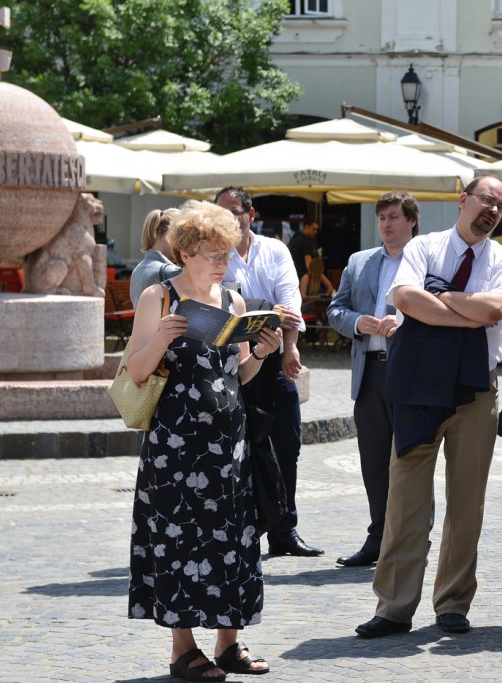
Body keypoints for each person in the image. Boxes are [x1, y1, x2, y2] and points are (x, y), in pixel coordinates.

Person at [354, 174, 502, 638]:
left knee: (467, 503)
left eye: (501, 206)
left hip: (477, 390)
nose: (493, 210)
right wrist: (466, 315)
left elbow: (496, 310)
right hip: (418, 387)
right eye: (487, 200)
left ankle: (452, 603)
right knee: (404, 501)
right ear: (463, 200)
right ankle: (394, 608)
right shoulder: (424, 246)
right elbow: (407, 298)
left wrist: (441, 297)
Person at [127, 200, 282, 680]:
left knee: (232, 538)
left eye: (227, 254)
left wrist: (261, 352)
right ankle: (183, 650)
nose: (223, 263)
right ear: (186, 253)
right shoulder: (159, 297)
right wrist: (162, 338)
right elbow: (135, 371)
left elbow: (240, 375)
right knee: (179, 539)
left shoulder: (233, 301)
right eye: (214, 255)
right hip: (176, 446)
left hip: (229, 444)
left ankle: (228, 644)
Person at [214, 186, 323, 558]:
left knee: (287, 446)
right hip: (230, 364)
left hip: (274, 360)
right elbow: (218, 311)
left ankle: (284, 530)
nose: (228, 219)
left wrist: (290, 347)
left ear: (250, 214)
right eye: (221, 213)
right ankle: (239, 530)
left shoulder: (275, 250)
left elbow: (290, 306)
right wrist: (265, 310)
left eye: (234, 212)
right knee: (235, 450)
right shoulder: (212, 255)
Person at [327, 191, 419, 567]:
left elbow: (443, 308)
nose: (386, 224)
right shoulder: (359, 261)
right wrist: (357, 323)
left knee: (413, 458)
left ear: (411, 221)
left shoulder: (426, 260)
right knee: (374, 460)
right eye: (381, 217)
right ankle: (378, 537)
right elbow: (336, 310)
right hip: (369, 371)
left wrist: (404, 321)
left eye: (394, 217)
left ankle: (414, 537)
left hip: (410, 372)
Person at [129, 208, 182, 308]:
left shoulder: (138, 270)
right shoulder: (170, 272)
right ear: (168, 235)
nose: (182, 246)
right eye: (179, 239)